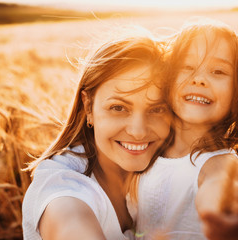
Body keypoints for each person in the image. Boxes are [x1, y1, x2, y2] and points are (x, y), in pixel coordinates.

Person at [22, 34, 172, 240]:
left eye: (157, 109)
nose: (138, 131)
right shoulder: (63, 189)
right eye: (118, 107)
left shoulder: (171, 169)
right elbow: (69, 220)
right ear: (88, 106)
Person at [134, 19, 238, 240]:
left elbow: (218, 186)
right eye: (187, 67)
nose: (200, 79)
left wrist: (223, 212)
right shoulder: (150, 149)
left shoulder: (219, 161)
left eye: (218, 71)